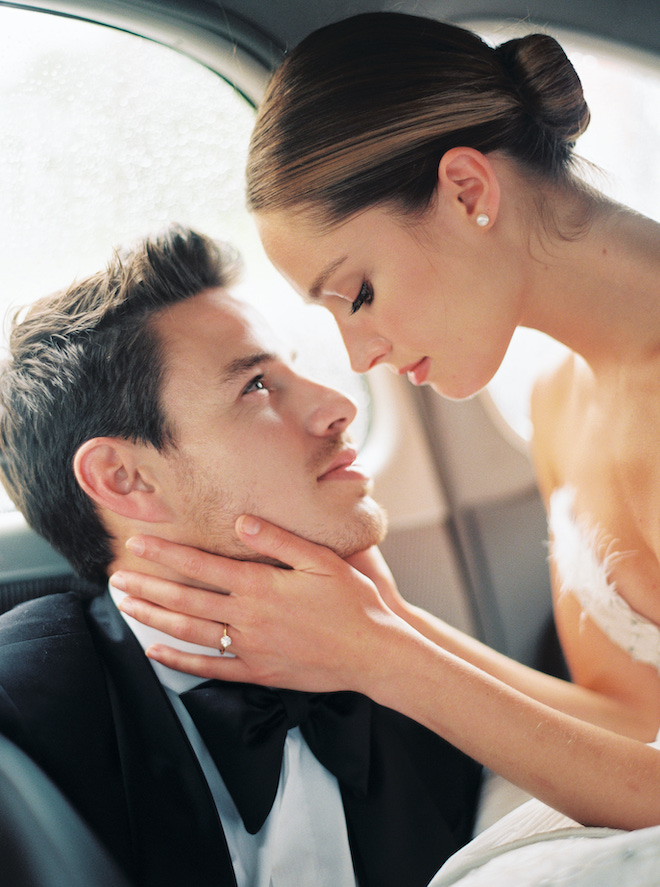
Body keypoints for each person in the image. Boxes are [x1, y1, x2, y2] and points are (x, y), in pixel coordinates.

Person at [112, 12, 660, 834]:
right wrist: (386, 617)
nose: (360, 357)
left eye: (358, 293)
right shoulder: (558, 404)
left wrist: (381, 659)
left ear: (469, 191)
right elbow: (627, 720)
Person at [0, 224, 482, 887]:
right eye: (257, 386)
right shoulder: (21, 720)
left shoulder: (406, 672)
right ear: (125, 478)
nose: (340, 406)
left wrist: (393, 639)